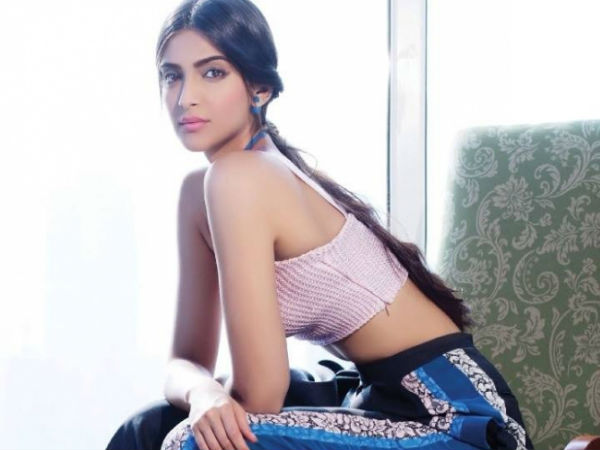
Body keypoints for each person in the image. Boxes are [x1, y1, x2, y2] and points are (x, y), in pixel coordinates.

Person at [106, 0, 534, 449]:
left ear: (259, 89)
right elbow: (185, 362)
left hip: (455, 417)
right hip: (376, 400)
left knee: (194, 443)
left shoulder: (241, 178)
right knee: (150, 427)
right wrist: (203, 392)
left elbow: (261, 394)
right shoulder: (204, 189)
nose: (185, 97)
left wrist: (214, 404)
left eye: (212, 73)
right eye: (171, 75)